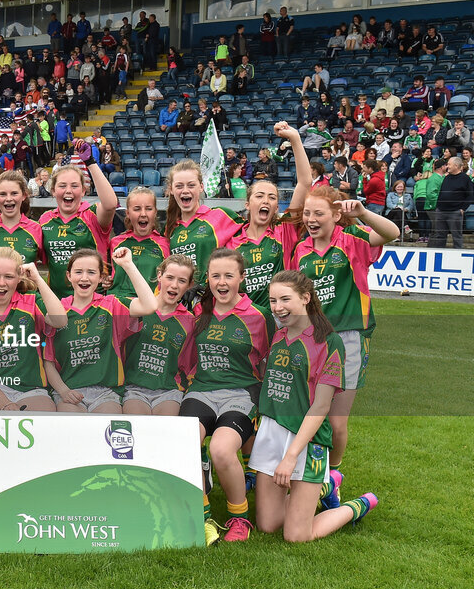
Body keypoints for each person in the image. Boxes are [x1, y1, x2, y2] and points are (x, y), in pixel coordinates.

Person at [252, 270, 378, 542]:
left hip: (306, 441)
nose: (278, 307)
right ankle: (323, 488)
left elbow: (321, 406)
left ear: (306, 298)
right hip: (272, 433)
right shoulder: (276, 335)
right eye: (273, 301)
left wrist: (291, 456)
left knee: (297, 535)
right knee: (267, 525)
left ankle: (357, 506)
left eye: (285, 299)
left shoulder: (329, 342)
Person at [290, 187, 399, 473]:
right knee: (311, 413)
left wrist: (363, 213)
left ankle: (334, 474)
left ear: (337, 215)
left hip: (349, 338)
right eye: (307, 213)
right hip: (312, 339)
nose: (311, 219)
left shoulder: (353, 240)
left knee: (337, 422)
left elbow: (392, 233)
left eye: (318, 213)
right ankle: (313, 469)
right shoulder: (301, 250)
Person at [181, 249, 275, 545]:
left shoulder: (258, 317)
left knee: (221, 450)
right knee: (183, 443)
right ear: (206, 278)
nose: (221, 282)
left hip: (241, 394)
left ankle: (239, 517)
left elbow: (271, 361)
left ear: (242, 278)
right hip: (201, 391)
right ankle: (203, 512)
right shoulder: (197, 311)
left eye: (229, 276)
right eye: (215, 276)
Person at [45, 247, 157, 414]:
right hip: (69, 392)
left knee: (105, 431)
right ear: (69, 276)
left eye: (91, 272)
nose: (84, 278)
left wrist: (128, 265)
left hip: (106, 393)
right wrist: (63, 391)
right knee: (71, 432)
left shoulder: (111, 305)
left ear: (101, 277)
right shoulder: (58, 311)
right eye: (78, 272)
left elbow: (149, 306)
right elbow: (48, 361)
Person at [0, 247, 67, 411]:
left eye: (9, 277)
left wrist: (38, 279)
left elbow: (60, 321)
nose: (1, 282)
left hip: (32, 389)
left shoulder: (31, 302)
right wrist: (4, 402)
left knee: (43, 419)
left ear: (19, 278)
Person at [226, 122, 310, 307]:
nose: (265, 201)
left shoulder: (285, 230)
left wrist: (294, 139)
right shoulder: (233, 240)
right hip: (245, 321)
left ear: (276, 206)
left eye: (272, 197)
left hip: (281, 319)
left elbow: (305, 182)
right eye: (259, 196)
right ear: (248, 204)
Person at [39, 139, 118, 296]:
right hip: (56, 302)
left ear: (83, 191)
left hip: (94, 302)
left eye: (74, 186)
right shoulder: (45, 219)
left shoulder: (92, 214)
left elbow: (110, 204)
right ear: (53, 191)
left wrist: (90, 162)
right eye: (62, 186)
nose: (68, 190)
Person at [120, 254, 196, 417]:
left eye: (182, 281)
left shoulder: (189, 322)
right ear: (159, 275)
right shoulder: (136, 309)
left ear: (189, 285)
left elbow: (188, 366)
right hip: (133, 389)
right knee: (140, 428)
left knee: (163, 432)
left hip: (168, 391)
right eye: (170, 277)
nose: (174, 285)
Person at [164, 160, 244, 283]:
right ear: (171, 190)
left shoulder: (220, 215)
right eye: (179, 186)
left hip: (215, 296)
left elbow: (252, 236)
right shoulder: (169, 228)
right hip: (181, 299)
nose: (185, 190)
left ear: (201, 187)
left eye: (191, 185)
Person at [0, 171, 43, 265]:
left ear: (24, 196)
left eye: (14, 193)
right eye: (3, 194)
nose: (8, 199)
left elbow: (51, 262)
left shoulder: (36, 228)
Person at [429, 156, 474, 249]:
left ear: (456, 166)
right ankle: (439, 254)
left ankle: (458, 256)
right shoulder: (446, 177)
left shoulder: (465, 178)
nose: (447, 166)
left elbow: (470, 195)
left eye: (449, 164)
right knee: (439, 236)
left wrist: (462, 209)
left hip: (455, 212)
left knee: (456, 236)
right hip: (441, 211)